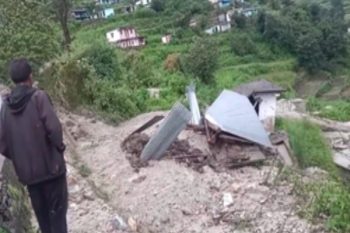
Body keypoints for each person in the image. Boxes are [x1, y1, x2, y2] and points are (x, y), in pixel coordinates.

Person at [0, 59, 68, 233]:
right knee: (58, 218)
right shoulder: (39, 97)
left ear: (13, 80)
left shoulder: (5, 108)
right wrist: (59, 148)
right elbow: (54, 129)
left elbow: (3, 143)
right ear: (30, 76)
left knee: (44, 220)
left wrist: (20, 158)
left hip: (29, 177)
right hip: (52, 170)